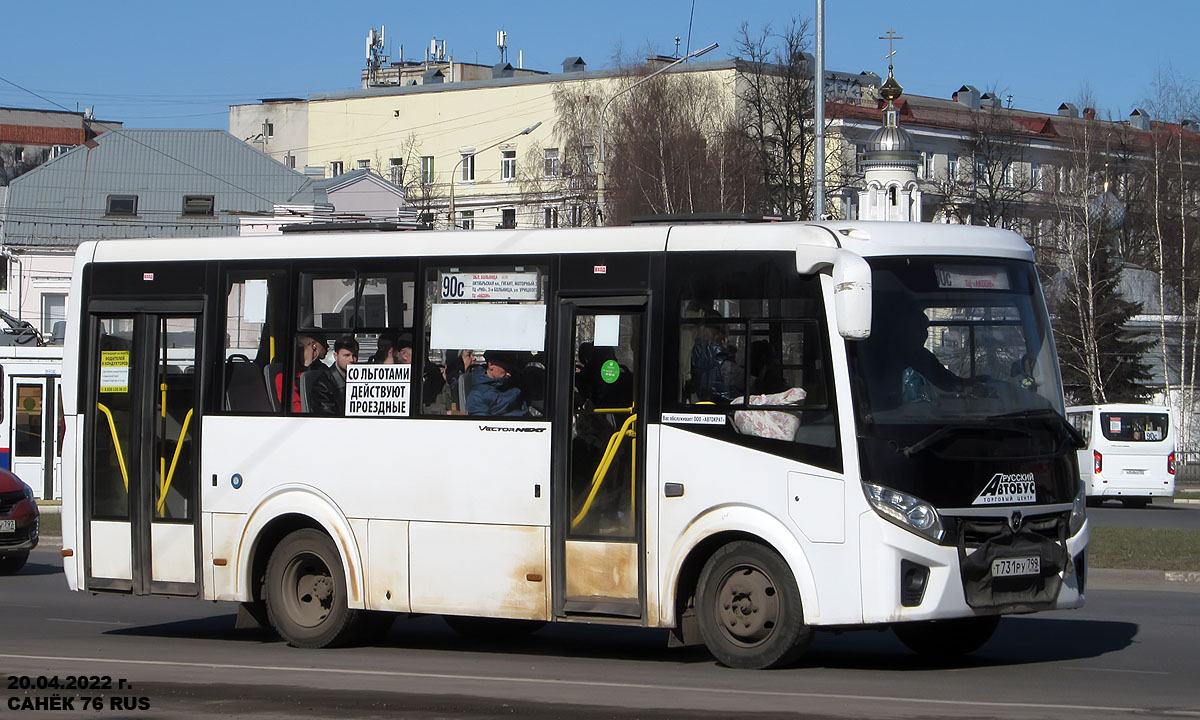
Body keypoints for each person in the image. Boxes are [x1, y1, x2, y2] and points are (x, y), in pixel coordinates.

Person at [307, 335, 358, 416]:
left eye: (354, 355)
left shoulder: (360, 379)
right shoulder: (322, 385)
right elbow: (327, 417)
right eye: (346, 355)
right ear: (335, 356)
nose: (351, 360)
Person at [466, 350, 527, 416]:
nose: (509, 374)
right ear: (491, 365)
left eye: (511, 370)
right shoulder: (477, 395)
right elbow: (483, 424)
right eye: (506, 369)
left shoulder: (513, 382)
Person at [275, 333, 326, 412]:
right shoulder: (286, 377)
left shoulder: (322, 370)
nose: (328, 347)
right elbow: (296, 409)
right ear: (313, 345)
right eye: (324, 343)